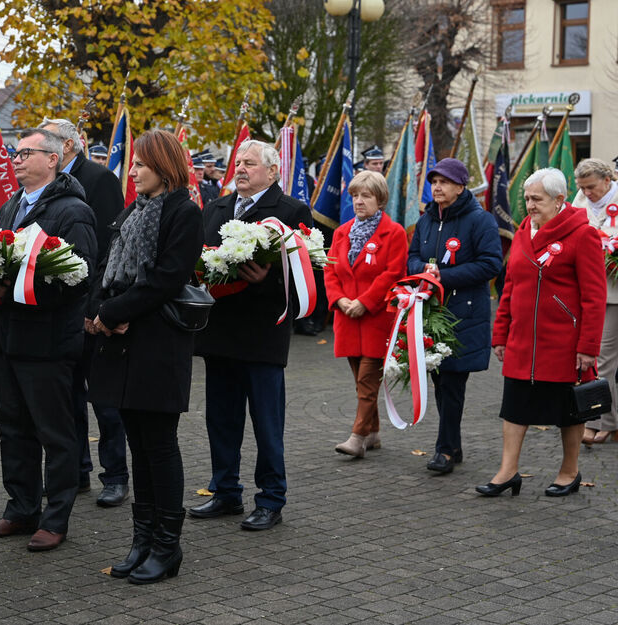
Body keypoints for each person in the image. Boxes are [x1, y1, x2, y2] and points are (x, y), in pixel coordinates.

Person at [87, 129, 203, 583]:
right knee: (137, 443)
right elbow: (106, 266)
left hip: (158, 346)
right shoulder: (132, 211)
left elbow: (166, 278)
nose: (132, 172)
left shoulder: (184, 212)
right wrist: (98, 310)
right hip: (121, 344)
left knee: (159, 444)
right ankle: (142, 539)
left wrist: (114, 310)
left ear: (164, 166)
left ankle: (167, 547)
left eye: (140, 164)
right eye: (133, 164)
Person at [0, 128, 95, 552]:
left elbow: (78, 278)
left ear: (54, 158)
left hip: (48, 343)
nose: (17, 159)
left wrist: (20, 292)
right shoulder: (10, 206)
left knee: (55, 434)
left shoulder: (72, 211)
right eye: (15, 152)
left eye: (27, 153)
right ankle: (20, 509)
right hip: (9, 339)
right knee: (13, 430)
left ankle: (54, 518)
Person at [192, 139, 311, 531]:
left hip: (262, 337)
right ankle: (225, 492)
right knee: (221, 422)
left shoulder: (290, 212)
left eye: (250, 163)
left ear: (273, 171)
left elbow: (309, 282)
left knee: (266, 424)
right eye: (237, 162)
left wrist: (267, 279)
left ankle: (271, 499)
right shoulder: (216, 209)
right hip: (220, 335)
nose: (240, 168)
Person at [481, 167, 606, 498]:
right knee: (514, 407)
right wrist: (500, 334)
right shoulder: (523, 231)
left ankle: (569, 471)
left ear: (560, 199)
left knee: (569, 411)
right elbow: (509, 287)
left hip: (565, 345)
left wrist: (589, 346)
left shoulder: (583, 234)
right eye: (526, 199)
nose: (529, 205)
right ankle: (508, 472)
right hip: (522, 342)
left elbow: (595, 296)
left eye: (536, 199)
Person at [38, 118, 129, 506]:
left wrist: (97, 308)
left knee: (104, 399)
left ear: (68, 148)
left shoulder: (99, 179)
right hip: (61, 310)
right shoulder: (47, 186)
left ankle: (116, 476)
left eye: (46, 145)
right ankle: (77, 472)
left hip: (93, 310)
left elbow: (108, 250)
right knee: (68, 397)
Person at [407, 158, 502, 473]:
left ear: (461, 186)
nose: (436, 187)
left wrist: (443, 276)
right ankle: (453, 445)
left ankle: (445, 450)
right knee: (438, 380)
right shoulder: (426, 220)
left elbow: (491, 264)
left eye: (444, 182)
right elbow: (412, 258)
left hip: (464, 316)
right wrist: (423, 270)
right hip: (430, 313)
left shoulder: (481, 220)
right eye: (434, 181)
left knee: (452, 383)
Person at [325, 170, 409, 458]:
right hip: (347, 317)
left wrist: (365, 301)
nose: (359, 201)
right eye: (355, 196)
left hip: (376, 319)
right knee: (360, 381)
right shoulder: (341, 232)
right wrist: (340, 300)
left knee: (367, 381)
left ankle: (358, 437)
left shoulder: (394, 232)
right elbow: (330, 270)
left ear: (380, 199)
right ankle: (373, 433)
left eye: (366, 196)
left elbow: (394, 272)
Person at [571, 158, 618, 444]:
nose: (587, 193)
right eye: (583, 187)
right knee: (603, 358)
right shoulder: (580, 202)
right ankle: (604, 421)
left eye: (591, 187)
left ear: (608, 180)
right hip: (603, 295)